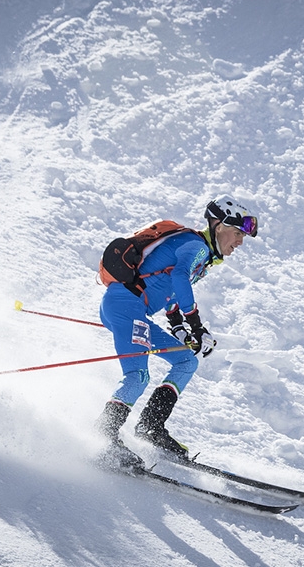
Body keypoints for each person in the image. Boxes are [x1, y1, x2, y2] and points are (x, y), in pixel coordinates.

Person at [95, 195, 259, 468]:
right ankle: (104, 436)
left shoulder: (200, 255)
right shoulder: (196, 246)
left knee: (186, 359)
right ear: (219, 226)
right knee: (137, 375)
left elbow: (168, 287)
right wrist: (195, 323)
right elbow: (180, 278)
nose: (240, 242)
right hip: (125, 305)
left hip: (133, 311)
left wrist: (179, 326)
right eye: (236, 233)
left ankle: (151, 425)